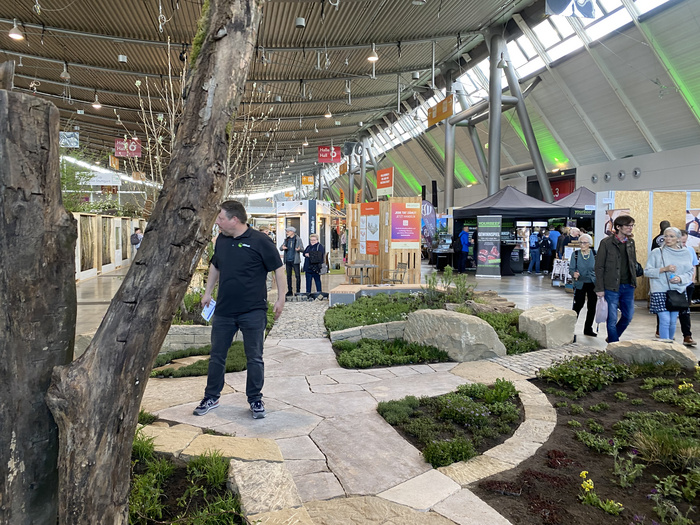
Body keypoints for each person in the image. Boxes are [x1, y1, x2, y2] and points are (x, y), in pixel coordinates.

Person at [194, 201, 285, 418]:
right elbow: (215, 266)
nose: (217, 222)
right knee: (217, 356)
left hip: (253, 311)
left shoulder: (261, 241)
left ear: (235, 219)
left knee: (254, 357)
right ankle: (211, 397)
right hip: (224, 311)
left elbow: (279, 271)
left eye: (221, 218)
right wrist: (207, 293)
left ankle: (255, 399)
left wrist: (281, 298)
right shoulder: (222, 241)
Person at [645, 227, 694, 342]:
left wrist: (680, 278)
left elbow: (690, 272)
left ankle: (670, 345)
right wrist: (664, 269)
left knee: (673, 321)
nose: (668, 239)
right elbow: (647, 271)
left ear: (678, 239)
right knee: (665, 320)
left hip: (677, 291)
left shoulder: (686, 253)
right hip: (659, 290)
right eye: (666, 236)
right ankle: (664, 347)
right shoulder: (657, 252)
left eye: (671, 236)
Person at [594, 215, 639, 343]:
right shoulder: (606, 243)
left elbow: (633, 263)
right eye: (627, 225)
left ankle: (613, 338)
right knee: (612, 318)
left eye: (632, 225)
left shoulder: (630, 242)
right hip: (611, 286)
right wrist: (600, 288)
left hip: (628, 286)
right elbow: (599, 266)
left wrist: (634, 281)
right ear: (618, 227)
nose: (630, 228)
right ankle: (614, 344)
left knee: (628, 316)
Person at [569, 234, 597, 337]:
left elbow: (600, 268)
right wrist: (574, 274)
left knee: (592, 307)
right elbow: (571, 269)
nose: (582, 244)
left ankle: (588, 329)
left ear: (590, 243)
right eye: (580, 242)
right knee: (577, 306)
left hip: (593, 283)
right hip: (580, 283)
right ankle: (569, 328)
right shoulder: (575, 254)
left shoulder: (595, 254)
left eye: (584, 242)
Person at [679, 230, 698, 346]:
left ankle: (687, 335)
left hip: (688, 284)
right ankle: (660, 330)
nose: (684, 244)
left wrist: (692, 279)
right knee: (668, 310)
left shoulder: (690, 250)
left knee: (685, 311)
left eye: (685, 241)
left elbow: (694, 265)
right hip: (675, 285)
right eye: (682, 242)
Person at [280, 226, 304, 296]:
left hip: (295, 260)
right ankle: (290, 290)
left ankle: (298, 290)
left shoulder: (298, 239)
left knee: (297, 276)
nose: (287, 233)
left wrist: (299, 249)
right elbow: (281, 248)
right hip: (288, 260)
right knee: (288, 276)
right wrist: (282, 248)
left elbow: (302, 249)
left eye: (288, 231)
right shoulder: (286, 239)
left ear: (292, 232)